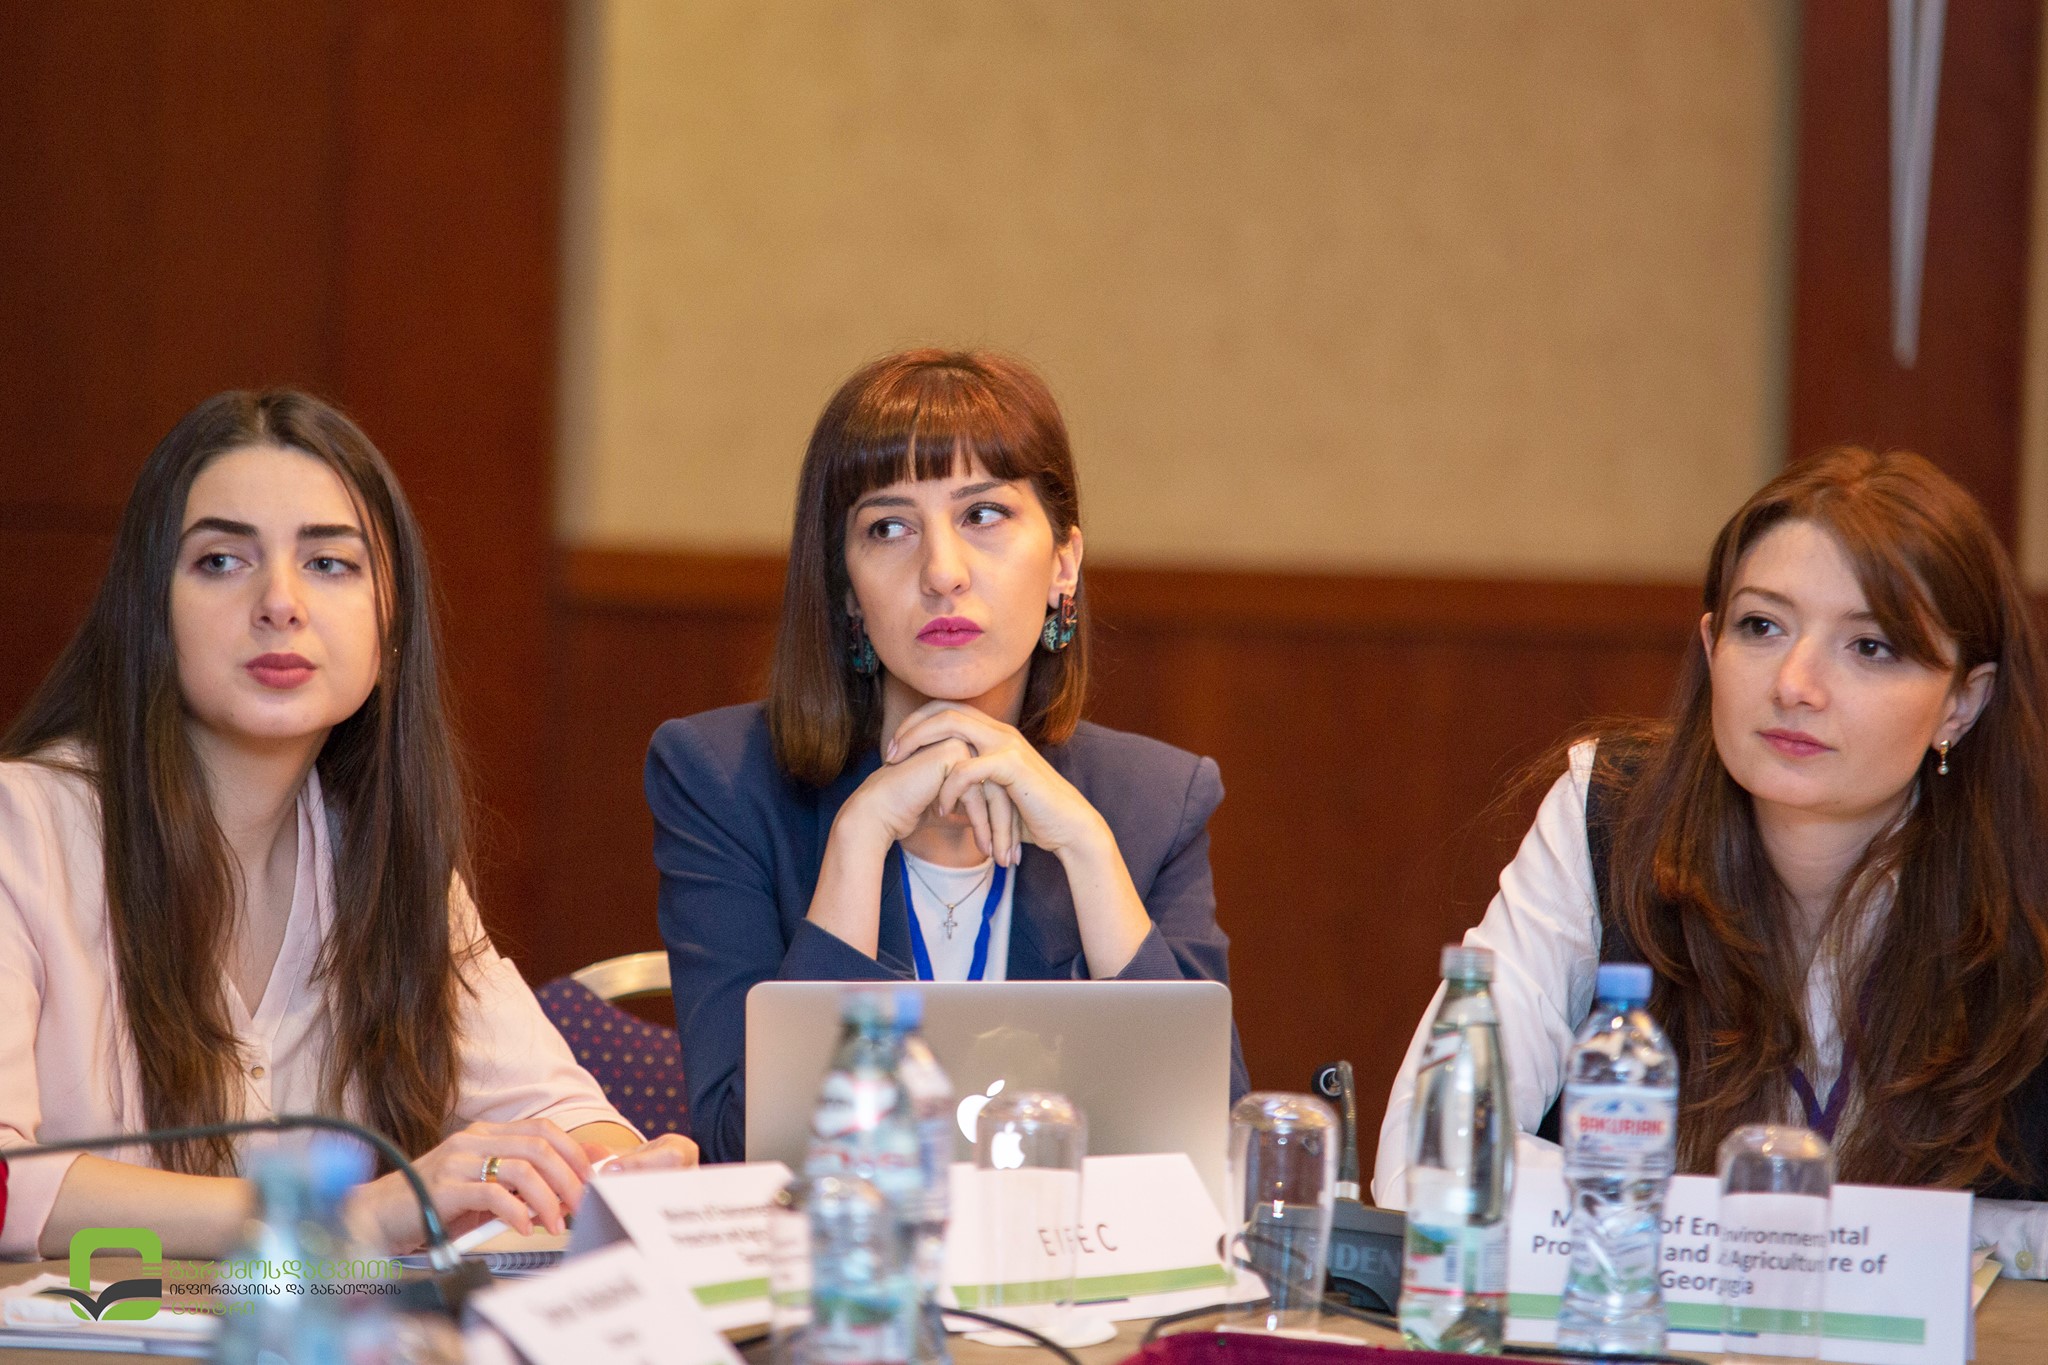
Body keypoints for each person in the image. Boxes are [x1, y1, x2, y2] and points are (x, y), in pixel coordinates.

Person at [0, 390, 696, 1260]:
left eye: (329, 563)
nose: (279, 602)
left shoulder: (382, 857)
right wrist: (344, 1216)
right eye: (221, 560)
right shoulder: (23, 826)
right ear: (148, 610)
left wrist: (620, 1169)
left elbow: (552, 1108)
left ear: (388, 624)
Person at [1371, 447, 2048, 1274]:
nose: (1795, 683)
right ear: (1710, 644)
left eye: (1870, 646)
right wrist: (1800, 1238)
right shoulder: (1609, 814)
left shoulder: (2028, 890)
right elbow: (1430, 1157)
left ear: (1962, 701)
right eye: (1761, 626)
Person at [649, 348, 1248, 1163]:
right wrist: (858, 841)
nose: (942, 572)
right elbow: (741, 1146)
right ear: (847, 589)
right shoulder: (721, 779)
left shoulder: (1154, 800)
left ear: (1063, 563)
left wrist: (1087, 848)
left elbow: (1218, 1152)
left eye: (984, 514)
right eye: (889, 527)